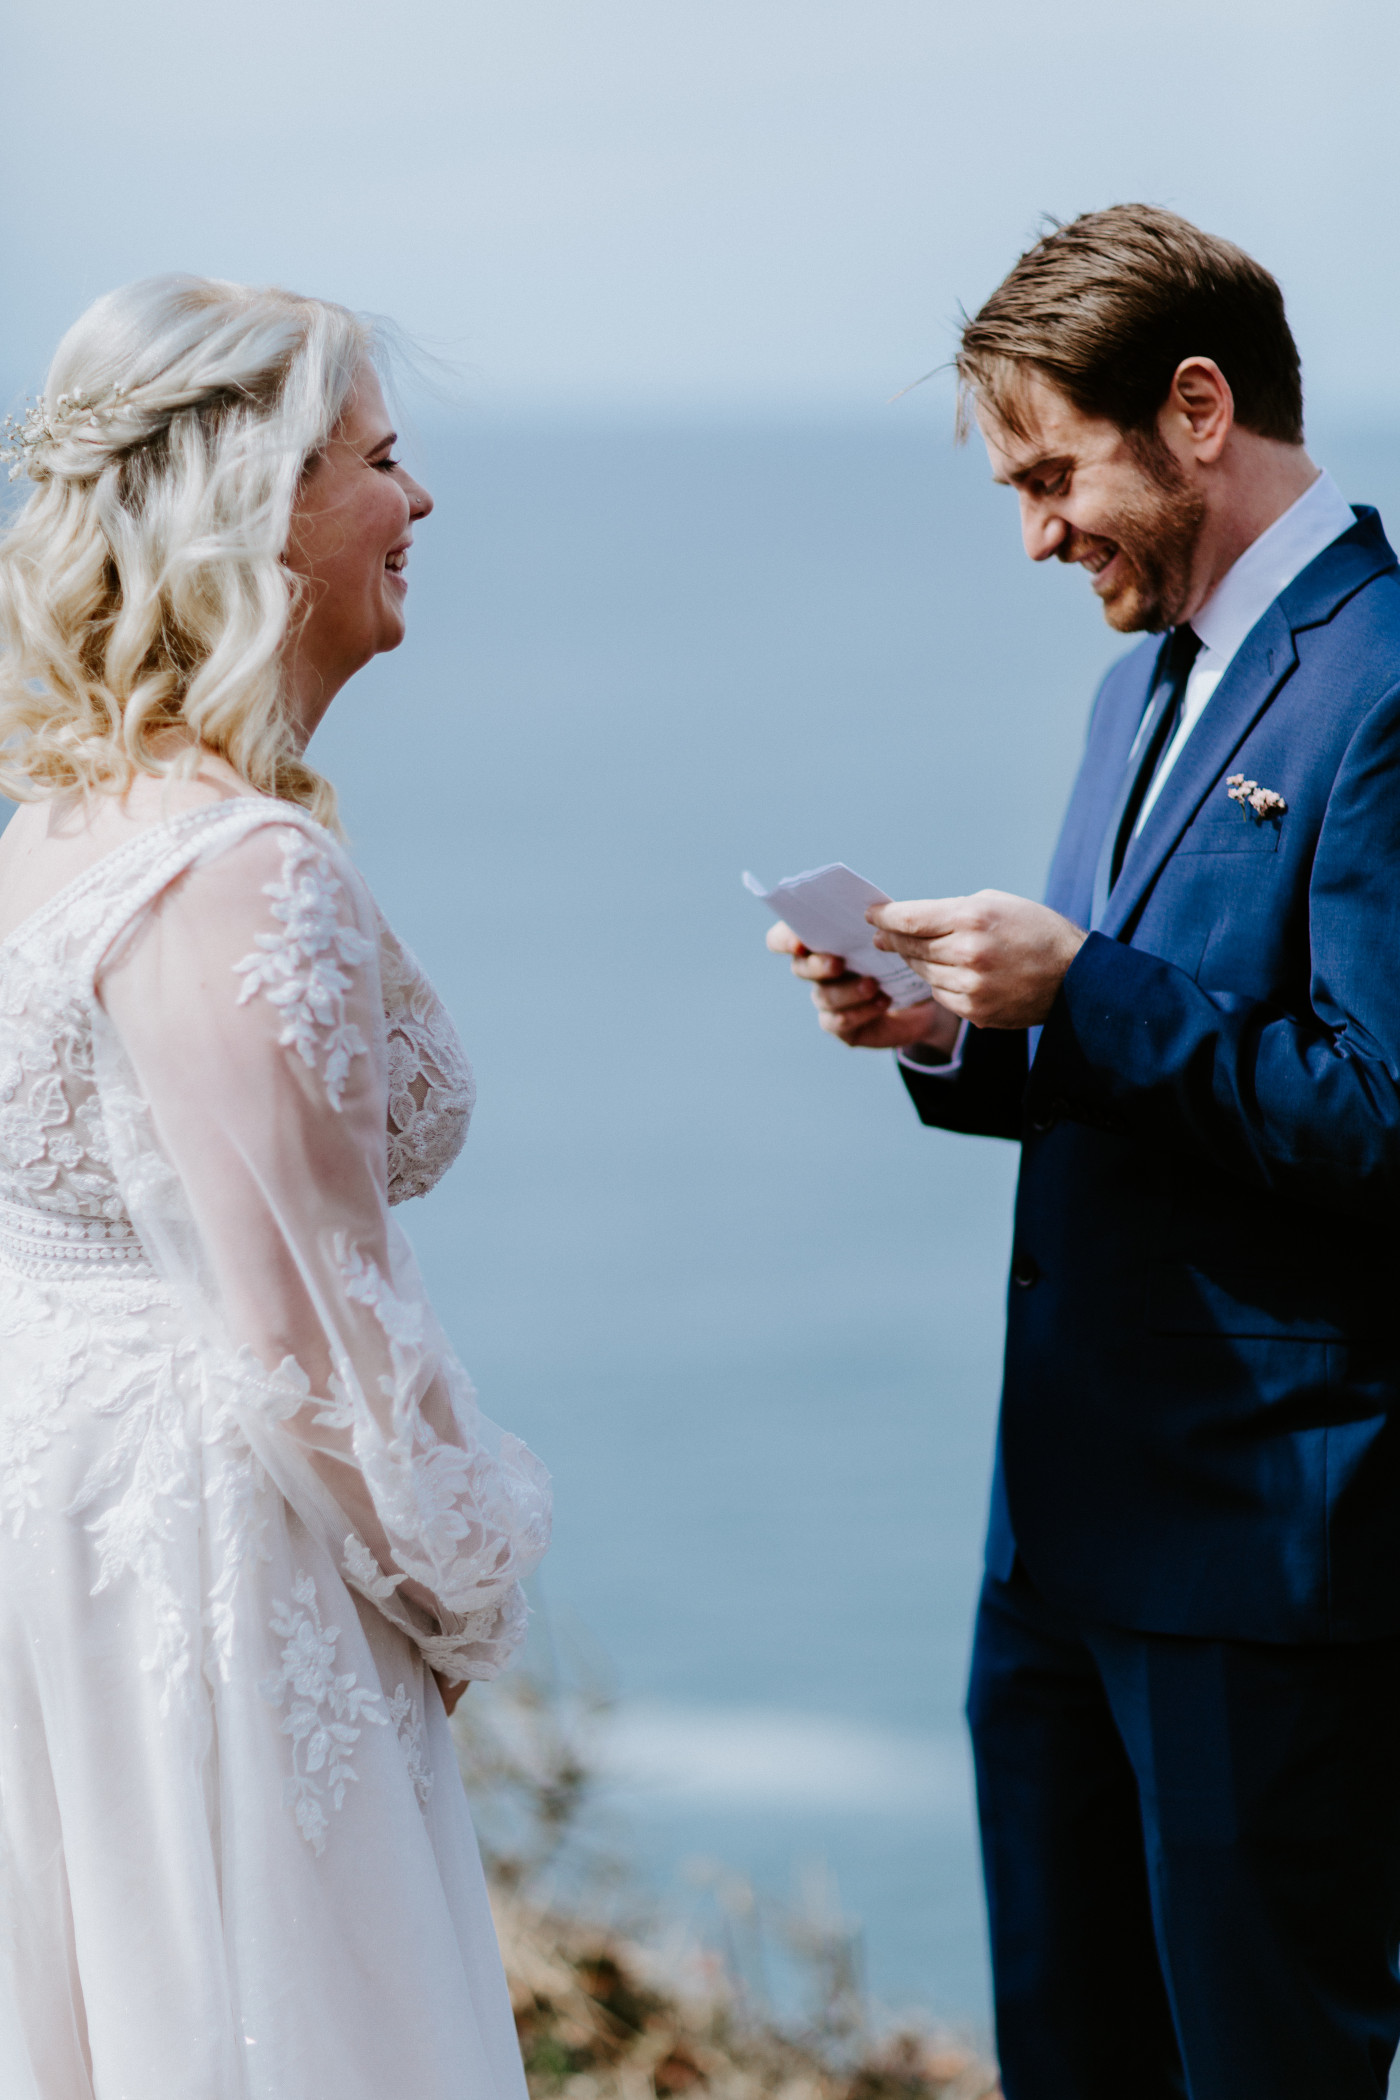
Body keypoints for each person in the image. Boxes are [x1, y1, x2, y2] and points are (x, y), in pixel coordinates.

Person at [766, 205, 1400, 2098]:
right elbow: (1121, 1047)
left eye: (1053, 472)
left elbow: (1378, 1114)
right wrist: (949, 1024)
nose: (1038, 530)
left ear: (1197, 410)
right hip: (1054, 1540)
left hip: (1266, 1556)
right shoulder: (1138, 682)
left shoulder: (1384, 682)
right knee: (1071, 2059)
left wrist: (1088, 992)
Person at [0, 276, 551, 2099]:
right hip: (217, 1557)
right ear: (261, 505)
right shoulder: (238, 865)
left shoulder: (59, 830)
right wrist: (460, 1588)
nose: (421, 502)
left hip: (55, 1519)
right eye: (383, 458)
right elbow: (311, 1317)